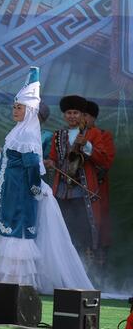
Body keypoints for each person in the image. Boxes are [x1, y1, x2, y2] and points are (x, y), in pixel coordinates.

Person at [45, 95, 114, 265]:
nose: (72, 116)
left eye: (75, 113)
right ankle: (65, 266)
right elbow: (54, 158)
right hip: (61, 192)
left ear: (83, 115)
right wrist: (50, 162)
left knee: (84, 231)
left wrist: (87, 145)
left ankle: (88, 270)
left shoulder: (94, 134)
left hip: (83, 192)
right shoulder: (58, 135)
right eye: (68, 113)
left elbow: (104, 160)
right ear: (64, 115)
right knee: (64, 229)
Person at [0, 67, 44, 286]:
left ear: (29, 110)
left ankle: (14, 281)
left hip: (19, 192)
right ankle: (1, 280)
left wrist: (35, 189)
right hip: (8, 190)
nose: (15, 110)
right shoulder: (18, 130)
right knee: (6, 228)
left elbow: (32, 166)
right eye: (14, 106)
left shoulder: (28, 133)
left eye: (19, 107)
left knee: (16, 230)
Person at [84, 100, 114, 265]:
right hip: (77, 190)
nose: (83, 118)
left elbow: (106, 162)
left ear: (94, 117)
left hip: (97, 188)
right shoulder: (71, 134)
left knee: (99, 224)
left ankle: (101, 269)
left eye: (86, 115)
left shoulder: (103, 135)